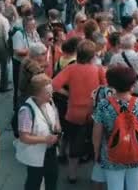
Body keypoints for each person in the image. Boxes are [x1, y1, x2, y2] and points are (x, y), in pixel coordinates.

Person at [52, 40, 107, 182]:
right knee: (95, 143)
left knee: (73, 144)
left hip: (74, 112)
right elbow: (106, 89)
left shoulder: (71, 69)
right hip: (93, 113)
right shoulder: (98, 69)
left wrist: (67, 94)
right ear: (93, 55)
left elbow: (54, 84)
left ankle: (72, 175)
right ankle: (96, 176)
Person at [92, 65, 138, 190]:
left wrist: (96, 152)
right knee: (134, 186)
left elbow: (97, 133)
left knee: (114, 187)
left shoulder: (103, 105)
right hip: (137, 152)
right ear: (132, 85)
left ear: (111, 84)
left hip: (111, 154)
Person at [16, 74, 61, 190]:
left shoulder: (50, 102)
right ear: (38, 94)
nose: (51, 95)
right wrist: (45, 139)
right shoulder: (26, 111)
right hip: (36, 153)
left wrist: (57, 125)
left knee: (52, 179)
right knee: (34, 182)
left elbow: (55, 114)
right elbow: (24, 137)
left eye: (51, 91)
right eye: (48, 92)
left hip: (51, 152)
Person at [12, 16, 41, 108]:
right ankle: (17, 108)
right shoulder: (19, 34)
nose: (34, 26)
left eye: (34, 24)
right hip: (20, 64)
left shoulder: (35, 33)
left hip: (32, 64)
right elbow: (17, 51)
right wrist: (33, 50)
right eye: (31, 25)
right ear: (25, 26)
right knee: (20, 87)